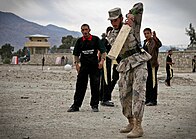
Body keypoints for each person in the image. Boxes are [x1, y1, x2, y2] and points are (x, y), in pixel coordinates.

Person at [107, 3, 151, 138]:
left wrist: (131, 15)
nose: (114, 23)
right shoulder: (111, 34)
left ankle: (138, 126)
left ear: (120, 18)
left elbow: (140, 5)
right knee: (124, 95)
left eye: (116, 19)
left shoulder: (133, 25)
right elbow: (115, 49)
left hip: (139, 62)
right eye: (111, 21)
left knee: (138, 94)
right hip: (124, 65)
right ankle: (131, 122)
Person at [67, 24, 106, 112]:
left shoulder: (95, 39)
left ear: (89, 30)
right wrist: (77, 64)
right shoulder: (79, 41)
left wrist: (102, 61)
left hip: (94, 66)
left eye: (86, 29)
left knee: (95, 85)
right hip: (83, 67)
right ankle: (76, 105)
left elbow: (103, 51)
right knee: (80, 86)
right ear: (81, 31)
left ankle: (95, 105)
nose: (85, 31)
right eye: (83, 30)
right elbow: (76, 54)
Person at [99, 26, 119, 107]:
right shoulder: (104, 41)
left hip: (113, 62)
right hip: (106, 61)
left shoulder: (115, 42)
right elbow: (101, 51)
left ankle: (103, 95)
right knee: (106, 79)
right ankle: (105, 99)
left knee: (113, 78)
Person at [143, 28, 162, 106]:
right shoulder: (145, 42)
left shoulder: (154, 41)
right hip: (146, 65)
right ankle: (148, 99)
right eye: (145, 33)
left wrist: (155, 38)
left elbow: (159, 45)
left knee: (153, 82)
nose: (146, 35)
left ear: (150, 33)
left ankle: (153, 100)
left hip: (153, 64)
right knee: (148, 82)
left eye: (148, 33)